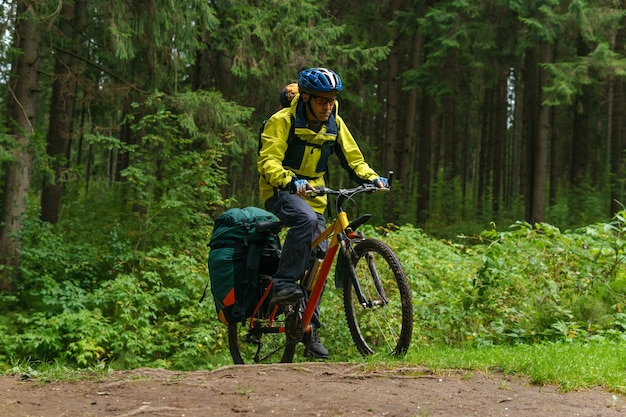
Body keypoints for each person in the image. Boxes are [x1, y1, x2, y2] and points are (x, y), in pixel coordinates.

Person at [257, 67, 389, 358]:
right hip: (281, 192)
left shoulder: (335, 123)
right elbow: (267, 162)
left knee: (318, 264)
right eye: (321, 100)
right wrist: (291, 181)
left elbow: (354, 159)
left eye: (331, 100)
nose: (327, 106)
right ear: (305, 98)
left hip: (316, 196)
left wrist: (372, 178)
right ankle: (281, 284)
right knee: (303, 220)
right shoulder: (282, 122)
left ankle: (308, 330)